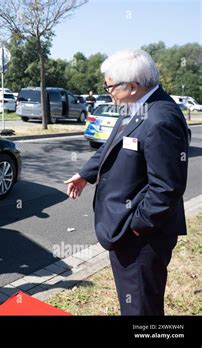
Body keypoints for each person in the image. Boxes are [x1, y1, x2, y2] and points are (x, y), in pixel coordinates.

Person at [65, 49, 189, 315]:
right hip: (127, 230)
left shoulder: (160, 118)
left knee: (141, 309)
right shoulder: (135, 106)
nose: (108, 92)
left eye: (110, 87)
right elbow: (111, 146)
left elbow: (167, 187)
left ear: (132, 86)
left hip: (142, 239)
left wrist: (136, 227)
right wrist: (86, 174)